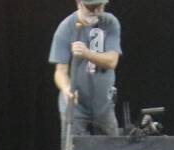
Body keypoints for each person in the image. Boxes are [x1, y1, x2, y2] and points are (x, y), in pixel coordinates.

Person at [49, 0, 122, 136]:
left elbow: (112, 61)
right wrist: (66, 88)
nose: (95, 11)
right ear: (79, 3)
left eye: (100, 6)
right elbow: (60, 72)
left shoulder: (110, 22)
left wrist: (86, 53)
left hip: (103, 105)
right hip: (76, 108)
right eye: (91, 7)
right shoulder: (66, 28)